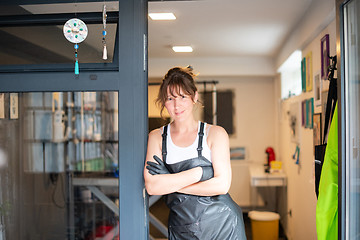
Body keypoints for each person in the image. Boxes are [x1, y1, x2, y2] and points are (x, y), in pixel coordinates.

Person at [144, 66, 247, 240]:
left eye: (182, 97)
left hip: (223, 226)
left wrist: (171, 185)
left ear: (194, 97)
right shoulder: (156, 137)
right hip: (182, 228)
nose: (176, 105)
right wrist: (200, 172)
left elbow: (221, 186)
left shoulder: (215, 133)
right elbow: (153, 187)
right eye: (170, 98)